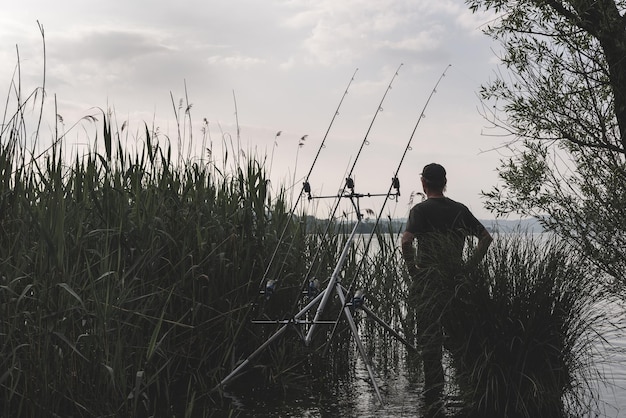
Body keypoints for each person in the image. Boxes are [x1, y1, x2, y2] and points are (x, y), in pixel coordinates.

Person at [401, 163, 492, 411]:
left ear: (424, 183)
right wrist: (467, 268)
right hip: (455, 286)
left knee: (430, 345)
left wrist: (413, 272)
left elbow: (406, 242)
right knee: (460, 342)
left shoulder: (420, 210)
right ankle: (469, 398)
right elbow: (486, 238)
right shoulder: (460, 210)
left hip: (428, 287)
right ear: (445, 183)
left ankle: (433, 399)